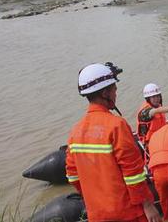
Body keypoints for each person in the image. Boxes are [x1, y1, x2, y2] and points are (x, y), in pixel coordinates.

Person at [66, 63, 160, 222]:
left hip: (97, 213)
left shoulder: (75, 131)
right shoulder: (116, 125)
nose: (116, 93)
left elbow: (72, 175)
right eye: (114, 89)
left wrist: (94, 199)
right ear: (105, 93)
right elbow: (133, 174)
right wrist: (148, 205)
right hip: (127, 212)